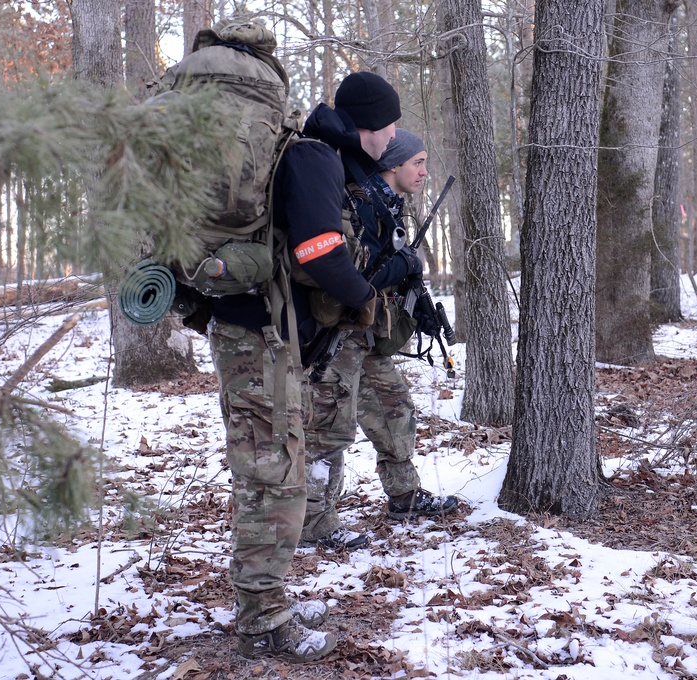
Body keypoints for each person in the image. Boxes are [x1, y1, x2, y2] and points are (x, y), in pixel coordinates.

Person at [206, 69, 393, 660]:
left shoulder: (311, 153)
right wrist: (363, 295)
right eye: (388, 128)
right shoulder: (315, 158)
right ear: (368, 126)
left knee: (273, 472)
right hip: (258, 337)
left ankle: (267, 601)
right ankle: (262, 620)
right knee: (273, 479)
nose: (392, 140)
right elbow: (318, 251)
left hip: (258, 332)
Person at [298, 127, 459, 552]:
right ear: (392, 165)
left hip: (368, 335)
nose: (425, 171)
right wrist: (403, 264)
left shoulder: (388, 204)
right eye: (417, 163)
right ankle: (313, 521)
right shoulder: (360, 205)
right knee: (329, 428)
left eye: (425, 162)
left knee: (394, 409)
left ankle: (405, 496)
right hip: (337, 335)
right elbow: (354, 273)